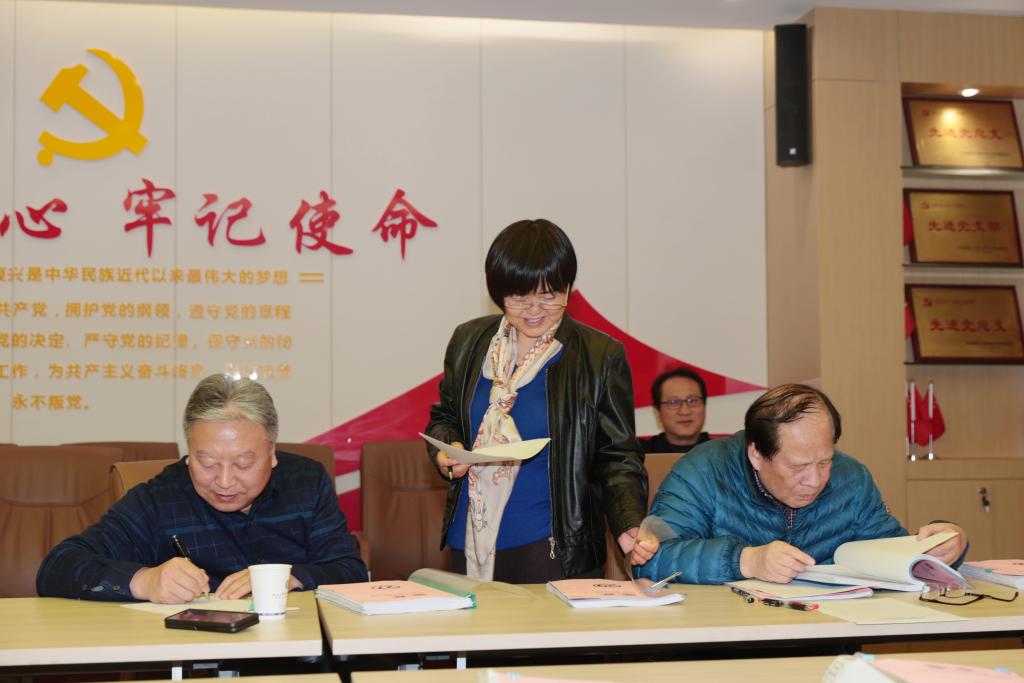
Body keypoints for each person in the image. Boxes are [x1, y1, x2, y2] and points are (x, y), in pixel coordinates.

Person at [426, 218, 649, 583]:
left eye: (549, 295)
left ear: (568, 287)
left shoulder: (598, 355)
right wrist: (447, 451)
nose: (534, 309)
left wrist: (628, 522)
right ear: (499, 293)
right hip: (468, 542)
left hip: (552, 548)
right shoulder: (469, 342)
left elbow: (618, 456)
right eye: (519, 297)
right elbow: (446, 416)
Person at [36, 374, 367, 603]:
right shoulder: (160, 497)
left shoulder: (306, 481)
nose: (224, 481)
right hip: (198, 659)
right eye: (207, 463)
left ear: (271, 454)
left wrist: (291, 577)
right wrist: (143, 581)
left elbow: (351, 570)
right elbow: (57, 567)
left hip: (297, 655)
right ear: (189, 452)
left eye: (243, 464)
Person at [632, 384, 967, 584]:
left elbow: (887, 549)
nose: (816, 480)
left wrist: (938, 547)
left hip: (825, 636)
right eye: (798, 466)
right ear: (756, 454)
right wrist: (746, 561)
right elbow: (653, 560)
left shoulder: (851, 476)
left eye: (825, 462)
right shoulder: (703, 471)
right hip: (725, 643)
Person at [643, 367, 710, 454]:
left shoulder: (723, 454)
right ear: (657, 412)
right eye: (673, 402)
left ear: (704, 406)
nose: (685, 411)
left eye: (692, 401)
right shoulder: (639, 456)